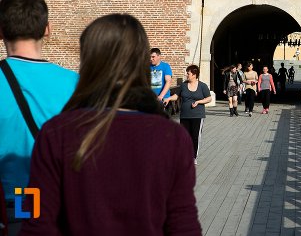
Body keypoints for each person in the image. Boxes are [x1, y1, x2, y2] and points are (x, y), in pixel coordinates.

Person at [20, 14, 201, 235]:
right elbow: (184, 224)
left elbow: (33, 217)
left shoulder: (55, 132)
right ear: (140, 64)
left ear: (88, 62)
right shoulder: (173, 137)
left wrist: (20, 211)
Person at [0, 0, 78, 236]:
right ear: (47, 29)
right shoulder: (78, 84)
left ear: (1, 30)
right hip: (62, 206)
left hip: (11, 206)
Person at [164, 65, 211, 165]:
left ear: (194, 75)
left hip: (197, 116)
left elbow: (209, 98)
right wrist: (168, 98)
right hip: (185, 115)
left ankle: (194, 157)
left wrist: (199, 102)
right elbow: (176, 96)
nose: (186, 75)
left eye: (188, 73)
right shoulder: (183, 85)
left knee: (195, 137)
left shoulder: (202, 86)